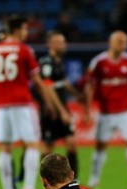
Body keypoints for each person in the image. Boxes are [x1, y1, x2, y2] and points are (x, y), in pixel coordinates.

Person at [0, 15, 55, 189]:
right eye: (24, 29)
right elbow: (37, 82)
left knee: (5, 148)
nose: (26, 33)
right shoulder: (24, 50)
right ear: (16, 30)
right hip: (22, 103)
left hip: (3, 106)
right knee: (31, 144)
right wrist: (47, 101)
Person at [83, 30, 127, 189]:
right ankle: (93, 182)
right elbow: (90, 87)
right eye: (120, 41)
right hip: (106, 112)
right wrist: (87, 110)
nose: (123, 45)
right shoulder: (99, 62)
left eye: (125, 42)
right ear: (111, 42)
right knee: (100, 146)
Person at [38, 31, 82, 172]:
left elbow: (63, 82)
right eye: (60, 42)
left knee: (71, 143)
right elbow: (48, 86)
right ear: (50, 44)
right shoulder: (46, 62)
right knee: (48, 147)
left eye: (64, 41)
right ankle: (46, 180)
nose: (64, 45)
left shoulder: (59, 61)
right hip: (50, 110)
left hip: (62, 107)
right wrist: (62, 111)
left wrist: (76, 94)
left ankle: (73, 182)